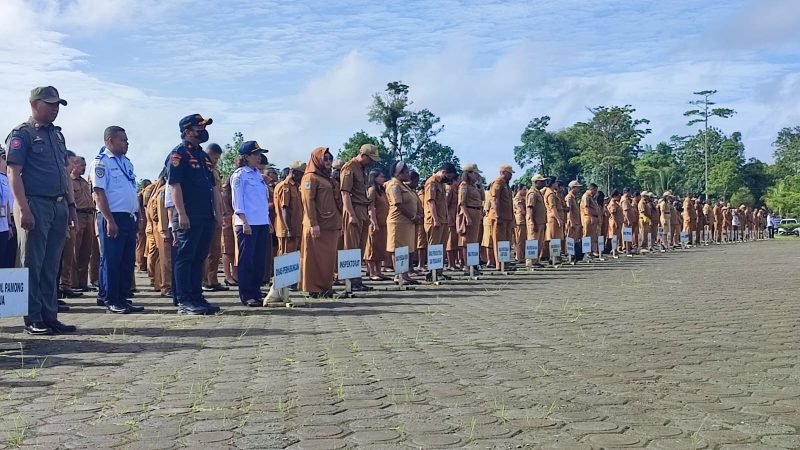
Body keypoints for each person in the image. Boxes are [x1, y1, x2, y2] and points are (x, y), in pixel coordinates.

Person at [5, 86, 78, 335]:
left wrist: (70, 205)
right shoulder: (21, 134)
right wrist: (23, 208)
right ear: (34, 104)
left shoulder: (57, 136)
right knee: (31, 263)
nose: (55, 109)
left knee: (51, 264)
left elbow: (65, 175)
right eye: (50, 104)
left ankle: (49, 315)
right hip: (34, 204)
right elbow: (13, 172)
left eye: (58, 104)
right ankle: (33, 318)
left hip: (58, 205)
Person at [168, 114, 222, 315]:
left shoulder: (202, 155)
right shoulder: (178, 154)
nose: (203, 131)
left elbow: (212, 186)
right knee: (185, 257)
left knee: (199, 257)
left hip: (204, 214)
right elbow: (175, 186)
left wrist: (217, 213)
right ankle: (184, 300)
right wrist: (181, 214)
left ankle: (197, 296)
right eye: (199, 128)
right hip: (187, 214)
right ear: (188, 130)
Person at [89, 126, 144, 314]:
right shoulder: (101, 163)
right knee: (112, 259)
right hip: (112, 216)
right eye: (123, 140)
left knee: (126, 260)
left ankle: (122, 298)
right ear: (110, 141)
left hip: (128, 216)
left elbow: (131, 190)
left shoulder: (127, 163)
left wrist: (137, 215)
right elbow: (99, 192)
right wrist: (109, 220)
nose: (126, 143)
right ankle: (111, 299)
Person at [230, 141, 271, 307]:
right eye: (255, 154)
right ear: (246, 157)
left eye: (259, 154)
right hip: (247, 223)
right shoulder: (240, 176)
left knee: (258, 260)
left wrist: (267, 221)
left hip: (260, 222)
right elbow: (237, 202)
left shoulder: (257, 175)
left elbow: (262, 201)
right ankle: (246, 295)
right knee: (247, 260)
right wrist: (244, 221)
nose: (258, 157)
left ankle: (256, 291)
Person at [300, 147, 341, 298]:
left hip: (330, 225)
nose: (329, 162)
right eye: (325, 159)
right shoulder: (310, 178)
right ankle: (314, 288)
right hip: (317, 226)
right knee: (314, 259)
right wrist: (313, 224)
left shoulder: (326, 178)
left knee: (328, 259)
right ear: (317, 160)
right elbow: (308, 201)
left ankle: (326, 286)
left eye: (330, 159)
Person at [340, 144, 381, 291]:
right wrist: (351, 214)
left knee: (360, 247)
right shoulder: (349, 167)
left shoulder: (363, 169)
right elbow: (345, 193)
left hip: (362, 208)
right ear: (363, 155)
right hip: (354, 208)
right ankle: (350, 281)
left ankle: (357, 280)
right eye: (370, 158)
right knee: (351, 247)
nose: (372, 162)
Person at [385, 161, 418, 285]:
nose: (409, 173)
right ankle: (399, 275)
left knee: (405, 249)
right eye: (407, 171)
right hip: (398, 221)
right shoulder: (394, 185)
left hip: (407, 222)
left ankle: (405, 275)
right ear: (399, 173)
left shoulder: (403, 185)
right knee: (398, 249)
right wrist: (413, 216)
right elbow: (398, 204)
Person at [424, 163, 457, 277]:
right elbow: (431, 201)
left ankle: (439, 272)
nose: (449, 179)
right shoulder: (432, 182)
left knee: (441, 248)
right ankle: (433, 272)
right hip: (434, 220)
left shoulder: (441, 184)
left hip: (443, 220)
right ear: (444, 172)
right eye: (449, 176)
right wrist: (435, 219)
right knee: (434, 247)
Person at [203, 143, 228, 292]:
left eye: (218, 158)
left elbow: (218, 194)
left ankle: (213, 280)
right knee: (205, 251)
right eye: (214, 157)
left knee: (215, 249)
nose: (216, 161)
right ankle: (204, 280)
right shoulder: (201, 169)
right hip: (205, 214)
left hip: (216, 215)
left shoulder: (214, 172)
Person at [274, 161, 305, 255]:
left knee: (295, 260)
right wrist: (289, 230)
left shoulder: (296, 186)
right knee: (286, 259)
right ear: (293, 172)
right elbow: (285, 209)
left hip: (297, 229)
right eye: (301, 174)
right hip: (288, 231)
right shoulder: (285, 186)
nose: (302, 177)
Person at [457, 163, 483, 272]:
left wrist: (480, 185)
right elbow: (462, 203)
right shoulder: (464, 186)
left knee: (474, 241)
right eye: (475, 173)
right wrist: (467, 217)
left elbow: (483, 197)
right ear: (469, 173)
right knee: (467, 241)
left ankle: (473, 264)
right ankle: (467, 265)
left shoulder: (474, 186)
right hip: (469, 212)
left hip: (476, 212)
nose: (477, 176)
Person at [365, 169, 389, 280]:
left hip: (384, 223)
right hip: (374, 224)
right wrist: (374, 223)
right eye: (381, 176)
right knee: (372, 248)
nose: (383, 178)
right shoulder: (372, 190)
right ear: (374, 178)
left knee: (380, 248)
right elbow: (371, 208)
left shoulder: (382, 191)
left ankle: (379, 271)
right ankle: (372, 272)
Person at [489, 165, 514, 267]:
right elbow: (495, 200)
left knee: (507, 241)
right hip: (499, 217)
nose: (511, 175)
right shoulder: (498, 182)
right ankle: (500, 264)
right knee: (499, 240)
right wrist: (497, 215)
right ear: (503, 172)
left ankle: (505, 261)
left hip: (507, 217)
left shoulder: (506, 184)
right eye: (509, 173)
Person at [220, 178, 238, 285]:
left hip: (234, 222)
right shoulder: (224, 194)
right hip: (226, 223)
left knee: (235, 250)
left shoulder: (233, 193)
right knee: (227, 250)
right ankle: (227, 276)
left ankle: (235, 275)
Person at [526, 174, 547, 264]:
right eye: (541, 181)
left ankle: (536, 261)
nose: (543, 183)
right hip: (535, 222)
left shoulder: (538, 192)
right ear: (536, 182)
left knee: (539, 243)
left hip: (541, 222)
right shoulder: (532, 193)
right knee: (533, 242)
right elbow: (530, 208)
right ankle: (530, 261)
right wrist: (533, 222)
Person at [543, 177, 564, 263]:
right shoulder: (550, 194)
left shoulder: (551, 193)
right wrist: (558, 219)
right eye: (555, 182)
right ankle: (554, 257)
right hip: (553, 218)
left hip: (554, 217)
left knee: (556, 238)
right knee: (554, 238)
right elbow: (553, 208)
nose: (556, 184)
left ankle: (556, 256)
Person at [0, 146, 14, 268]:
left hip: (3, 225)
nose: (6, 162)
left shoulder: (7, 178)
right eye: (4, 158)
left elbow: (7, 204)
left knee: (4, 260)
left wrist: (9, 225)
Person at [445, 177, 460, 270]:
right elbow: (446, 204)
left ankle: (454, 263)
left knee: (454, 242)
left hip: (455, 219)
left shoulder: (456, 191)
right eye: (457, 180)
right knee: (450, 242)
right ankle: (450, 264)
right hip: (450, 219)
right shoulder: (449, 189)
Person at [581, 183, 600, 257]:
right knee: (587, 235)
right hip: (588, 218)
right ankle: (586, 252)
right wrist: (591, 216)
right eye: (595, 190)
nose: (596, 192)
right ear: (591, 189)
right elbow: (586, 208)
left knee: (593, 235)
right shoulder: (586, 196)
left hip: (593, 218)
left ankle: (591, 251)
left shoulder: (591, 197)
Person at [565, 180, 582, 260]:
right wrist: (572, 222)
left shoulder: (574, 198)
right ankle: (570, 255)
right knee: (570, 239)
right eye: (577, 188)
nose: (579, 190)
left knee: (575, 239)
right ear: (573, 188)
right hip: (572, 222)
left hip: (576, 222)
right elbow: (569, 211)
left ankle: (574, 256)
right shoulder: (569, 198)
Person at [513, 184, 528, 263]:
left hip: (523, 221)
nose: (526, 191)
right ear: (519, 190)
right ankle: (519, 257)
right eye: (524, 189)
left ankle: (521, 256)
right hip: (520, 221)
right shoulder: (518, 199)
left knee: (523, 239)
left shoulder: (522, 198)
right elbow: (521, 210)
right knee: (520, 240)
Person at [607, 190, 624, 255]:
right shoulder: (612, 204)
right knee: (614, 236)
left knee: (617, 236)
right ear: (615, 196)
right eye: (618, 196)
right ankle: (613, 249)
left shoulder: (616, 203)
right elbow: (613, 214)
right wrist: (616, 222)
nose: (619, 197)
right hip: (614, 223)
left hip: (618, 222)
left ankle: (615, 249)